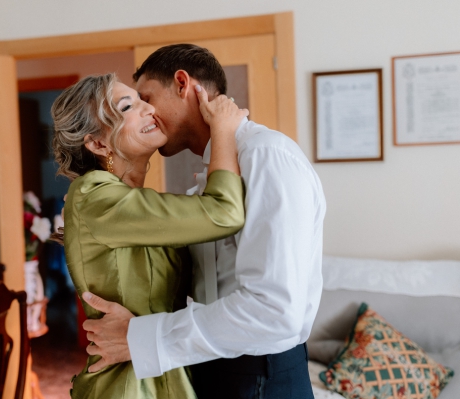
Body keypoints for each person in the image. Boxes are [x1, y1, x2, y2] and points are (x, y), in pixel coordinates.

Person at [81, 44, 326, 399]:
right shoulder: (206, 184)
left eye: (146, 97)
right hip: (215, 369)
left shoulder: (266, 156)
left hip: (261, 377)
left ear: (182, 83)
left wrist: (142, 338)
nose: (146, 112)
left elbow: (274, 310)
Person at [50, 72, 248, 398]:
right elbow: (224, 213)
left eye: (145, 99)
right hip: (126, 385)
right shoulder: (94, 195)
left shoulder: (127, 201)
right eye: (128, 105)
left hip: (162, 370)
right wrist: (223, 131)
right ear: (98, 143)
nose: (148, 109)